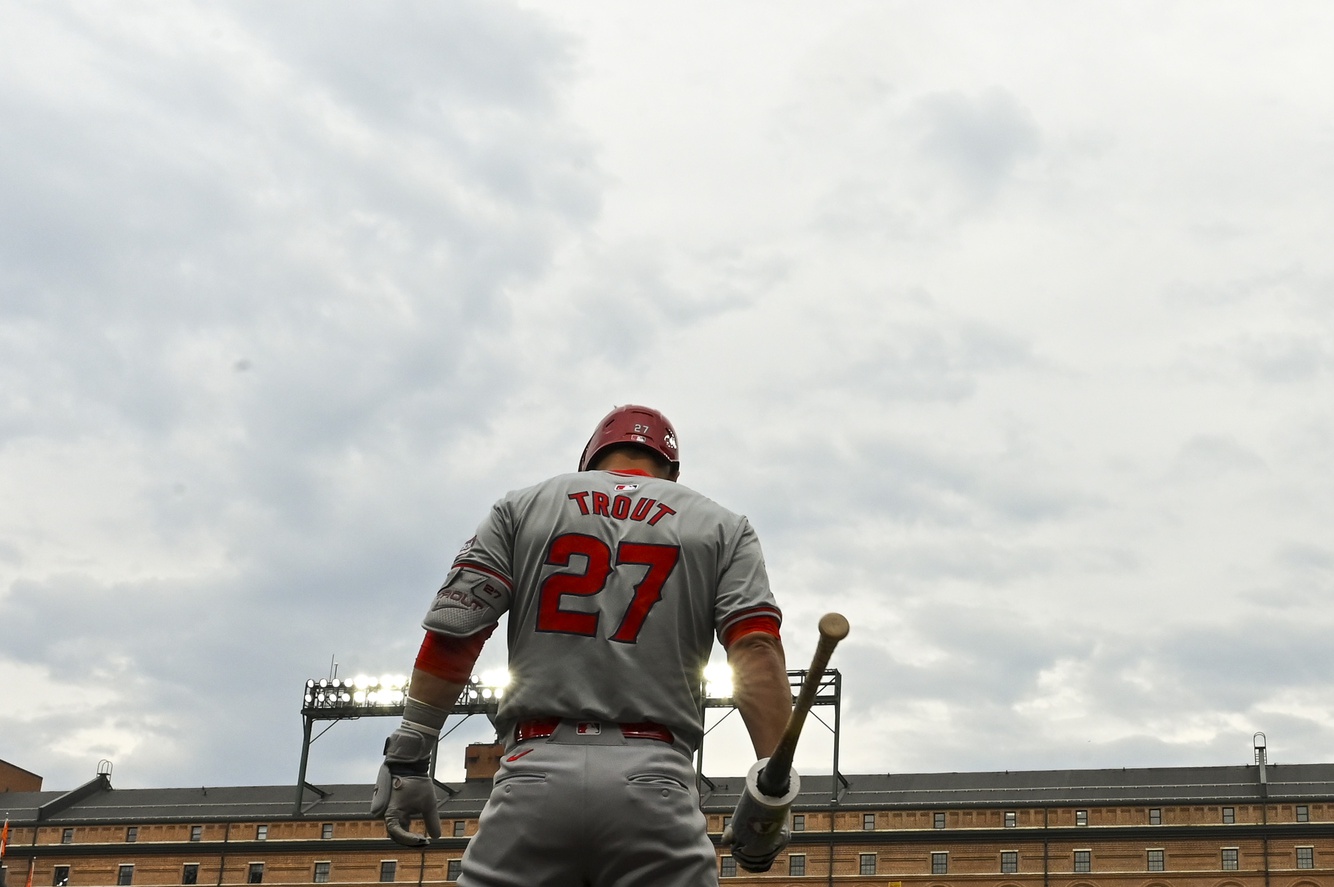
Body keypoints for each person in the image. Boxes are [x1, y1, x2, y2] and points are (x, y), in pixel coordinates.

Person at [371, 404, 796, 886]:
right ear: (672, 471)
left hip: (535, 770)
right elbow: (757, 647)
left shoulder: (523, 506)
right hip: (655, 778)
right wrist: (771, 793)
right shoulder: (722, 526)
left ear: (590, 460)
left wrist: (410, 751)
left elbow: (456, 627)